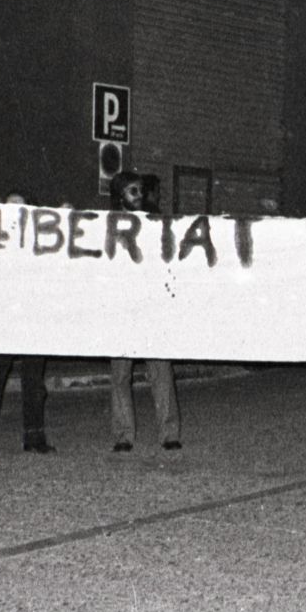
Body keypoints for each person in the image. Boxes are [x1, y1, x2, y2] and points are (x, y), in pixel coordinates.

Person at [0, 191, 54, 459]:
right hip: (2, 319)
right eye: (10, 207)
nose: (16, 212)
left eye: (21, 207)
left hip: (31, 320)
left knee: (34, 382)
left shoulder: (37, 242)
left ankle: (34, 436)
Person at [107, 171, 181, 452]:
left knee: (161, 372)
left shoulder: (156, 223)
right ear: (120, 197)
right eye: (132, 191)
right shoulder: (109, 227)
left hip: (151, 309)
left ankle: (169, 433)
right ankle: (123, 435)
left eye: (139, 190)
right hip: (123, 310)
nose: (139, 196)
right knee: (121, 376)